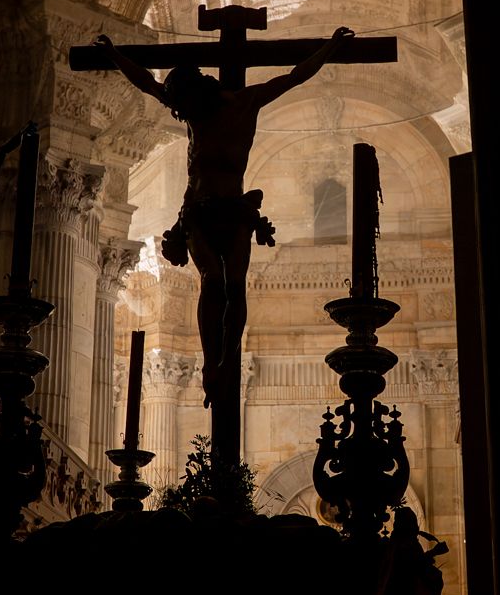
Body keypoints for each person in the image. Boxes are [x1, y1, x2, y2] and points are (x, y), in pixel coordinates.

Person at [92, 26, 355, 406]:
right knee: (211, 281)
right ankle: (210, 364)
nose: (183, 114)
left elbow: (293, 77)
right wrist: (114, 55)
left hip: (234, 213)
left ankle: (225, 360)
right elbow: (148, 84)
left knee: (234, 285)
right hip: (196, 213)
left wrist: (329, 48)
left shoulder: (245, 104)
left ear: (200, 91)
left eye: (184, 106)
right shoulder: (193, 108)